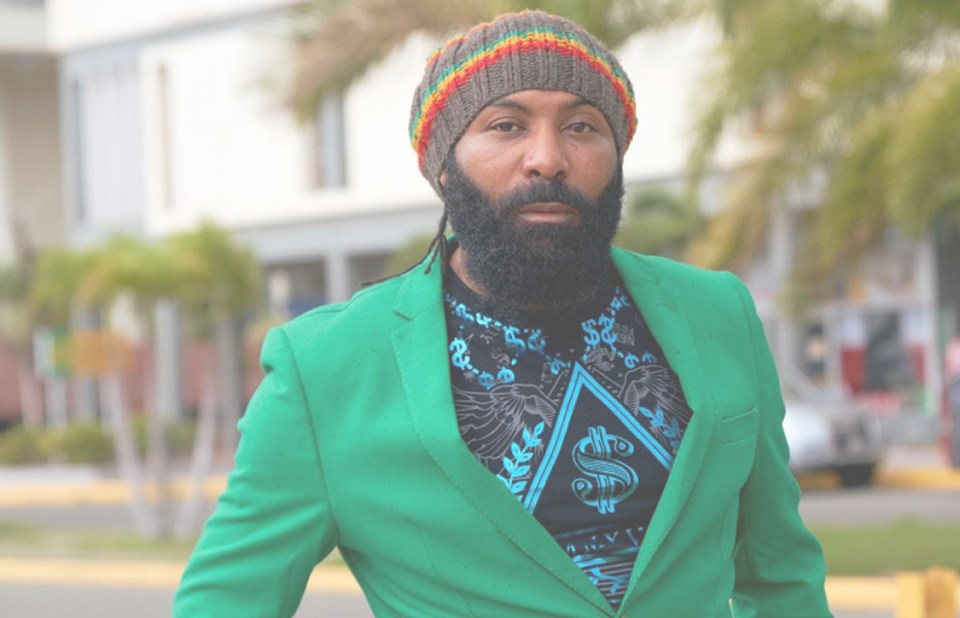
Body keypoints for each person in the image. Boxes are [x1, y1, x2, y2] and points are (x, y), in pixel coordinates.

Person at [174, 10, 832, 617]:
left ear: (616, 157)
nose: (548, 158)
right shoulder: (325, 368)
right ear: (444, 166)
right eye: (505, 126)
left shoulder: (718, 313)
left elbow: (781, 577)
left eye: (581, 126)